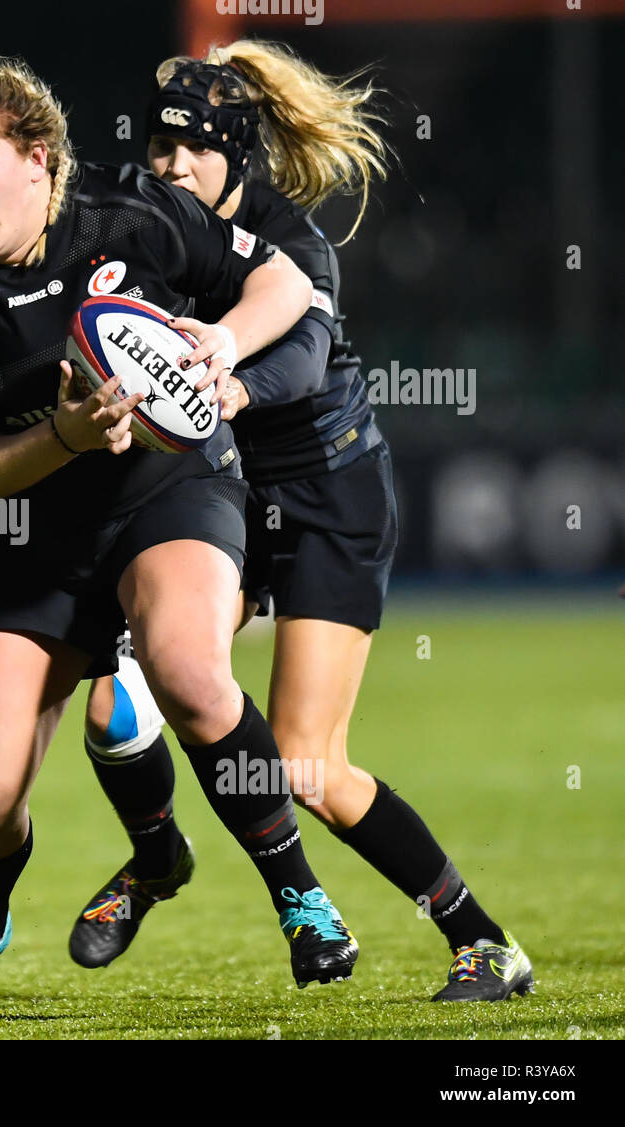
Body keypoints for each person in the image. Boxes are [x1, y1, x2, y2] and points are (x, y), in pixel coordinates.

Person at [0, 51, 359, 1022]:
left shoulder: (132, 211)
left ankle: (301, 898)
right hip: (34, 531)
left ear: (40, 158)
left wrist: (223, 340)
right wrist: (61, 435)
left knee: (185, 668)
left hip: (169, 488)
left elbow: (281, 287)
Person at [70, 43, 531, 1003]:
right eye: (159, 144)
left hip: (329, 500)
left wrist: (232, 382)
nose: (170, 165)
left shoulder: (294, 245)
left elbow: (308, 359)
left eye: (193, 148)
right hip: (224, 497)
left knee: (310, 767)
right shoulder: (153, 222)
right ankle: (157, 861)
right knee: (119, 704)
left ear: (240, 155)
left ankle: (483, 941)